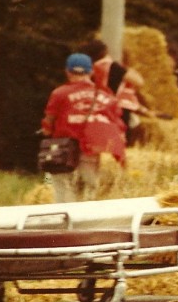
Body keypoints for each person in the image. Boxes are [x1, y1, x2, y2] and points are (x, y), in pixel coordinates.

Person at [40, 53, 127, 202]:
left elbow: (49, 121)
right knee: (90, 185)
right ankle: (86, 219)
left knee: (63, 186)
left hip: (64, 149)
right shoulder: (107, 96)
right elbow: (117, 123)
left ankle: (65, 219)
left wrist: (47, 131)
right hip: (91, 148)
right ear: (91, 72)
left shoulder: (60, 93)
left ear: (67, 71)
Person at [81, 39, 152, 141]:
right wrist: (128, 68)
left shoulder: (90, 68)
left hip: (97, 105)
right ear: (104, 51)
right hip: (117, 107)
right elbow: (139, 81)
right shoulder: (113, 66)